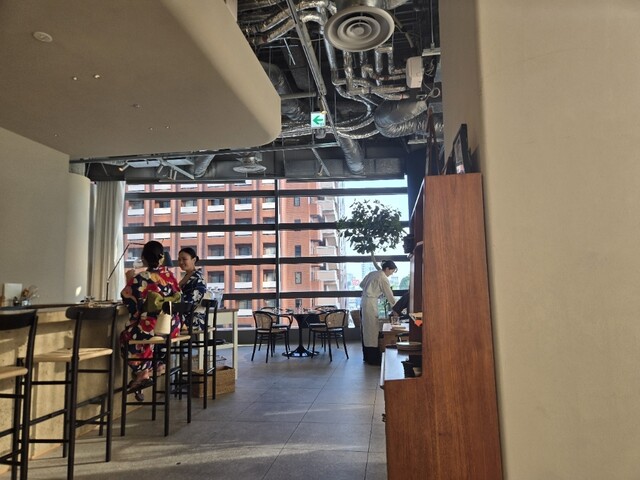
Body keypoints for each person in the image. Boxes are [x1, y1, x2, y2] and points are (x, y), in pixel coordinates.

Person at [120, 240, 181, 400]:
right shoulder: (169, 276)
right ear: (162, 257)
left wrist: (129, 279)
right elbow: (178, 297)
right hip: (172, 326)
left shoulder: (141, 277)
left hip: (153, 326)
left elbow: (128, 299)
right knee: (145, 339)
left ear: (143, 258)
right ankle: (147, 372)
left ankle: (142, 372)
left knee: (127, 337)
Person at [359, 260, 397, 365]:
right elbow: (389, 295)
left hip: (364, 302)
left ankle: (367, 357)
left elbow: (361, 285)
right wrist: (396, 308)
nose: (391, 274)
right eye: (392, 271)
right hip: (370, 303)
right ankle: (373, 359)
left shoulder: (372, 273)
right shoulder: (383, 277)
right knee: (372, 331)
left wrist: (373, 290)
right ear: (387, 269)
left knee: (366, 331)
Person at [177, 247, 207, 330]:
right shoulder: (188, 276)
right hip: (186, 314)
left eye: (184, 259)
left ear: (193, 260)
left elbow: (191, 302)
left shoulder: (198, 278)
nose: (181, 262)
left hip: (192, 318)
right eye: (179, 260)